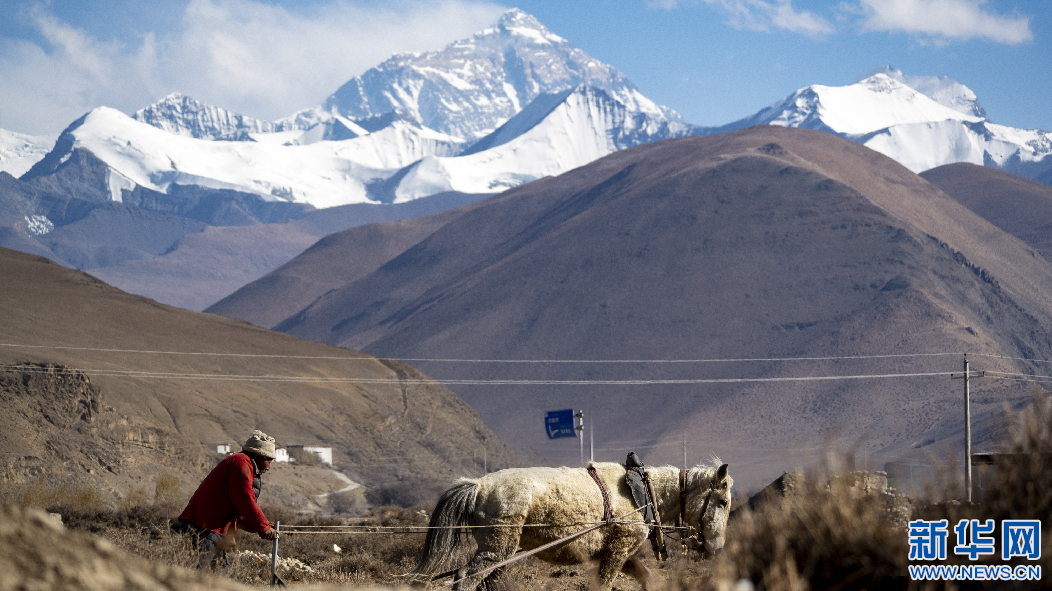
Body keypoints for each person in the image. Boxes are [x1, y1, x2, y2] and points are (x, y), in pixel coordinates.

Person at [175, 430, 279, 569]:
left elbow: (238, 510)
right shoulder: (241, 462)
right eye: (269, 461)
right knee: (202, 575)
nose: (269, 467)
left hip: (209, 528)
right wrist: (263, 527)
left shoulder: (241, 463)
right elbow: (243, 499)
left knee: (222, 574)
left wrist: (261, 526)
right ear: (258, 456)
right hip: (204, 528)